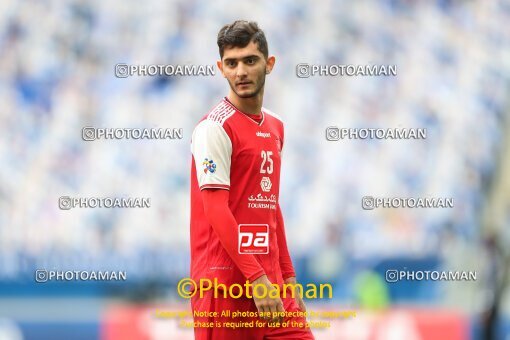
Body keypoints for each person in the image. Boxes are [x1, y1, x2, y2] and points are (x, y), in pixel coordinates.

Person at [189, 20, 314, 340]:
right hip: (225, 285)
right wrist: (256, 279)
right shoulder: (213, 128)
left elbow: (271, 208)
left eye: (249, 60)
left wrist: (287, 277)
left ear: (269, 64)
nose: (240, 71)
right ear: (221, 68)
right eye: (231, 63)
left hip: (270, 284)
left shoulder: (276, 127)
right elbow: (216, 210)